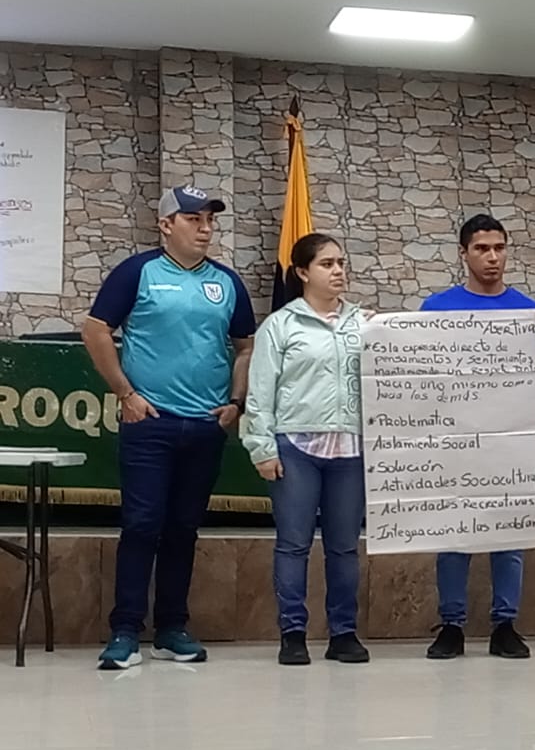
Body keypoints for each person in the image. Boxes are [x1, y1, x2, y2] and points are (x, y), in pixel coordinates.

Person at [82, 185, 257, 670]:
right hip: (150, 423)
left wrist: (235, 402)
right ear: (166, 225)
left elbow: (245, 345)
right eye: (194, 219)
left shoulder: (226, 282)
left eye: (210, 221)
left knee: (183, 528)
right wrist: (126, 394)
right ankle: (124, 631)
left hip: (205, 426)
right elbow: (95, 329)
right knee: (142, 525)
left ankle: (172, 628)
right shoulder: (137, 272)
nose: (205, 229)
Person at [419, 213, 535, 661]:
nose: (492, 257)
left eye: (499, 248)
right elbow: (416, 376)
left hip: (510, 439)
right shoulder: (436, 309)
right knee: (453, 535)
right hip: (455, 438)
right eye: (482, 249)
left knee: (509, 534)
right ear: (463, 254)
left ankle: (505, 624)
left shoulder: (527, 310)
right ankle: (451, 624)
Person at [242, 234, 370, 666]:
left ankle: (344, 633)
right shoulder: (281, 325)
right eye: (327, 264)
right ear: (302, 272)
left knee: (344, 546)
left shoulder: (364, 324)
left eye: (341, 263)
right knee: (293, 544)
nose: (338, 271)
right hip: (296, 447)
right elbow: (261, 391)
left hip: (350, 448)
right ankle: (293, 633)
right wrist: (262, 446)